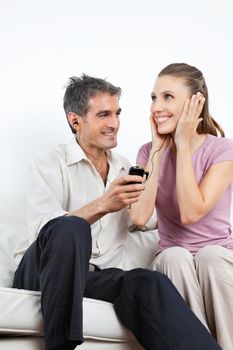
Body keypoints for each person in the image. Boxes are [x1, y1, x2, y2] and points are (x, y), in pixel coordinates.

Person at [12, 74, 221, 350]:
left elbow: (151, 220)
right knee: (69, 227)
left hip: (94, 279)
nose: (114, 124)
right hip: (43, 273)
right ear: (75, 121)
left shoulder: (127, 170)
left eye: (117, 113)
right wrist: (103, 204)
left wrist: (165, 152)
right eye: (103, 115)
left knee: (148, 281)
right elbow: (45, 231)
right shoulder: (50, 164)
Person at [130, 62, 233, 350]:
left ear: (195, 103)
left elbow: (191, 212)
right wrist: (158, 150)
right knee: (175, 256)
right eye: (154, 97)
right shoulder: (147, 152)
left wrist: (184, 145)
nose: (156, 107)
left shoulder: (224, 150)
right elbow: (139, 217)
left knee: (210, 256)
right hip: (172, 258)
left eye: (167, 97)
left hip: (220, 257)